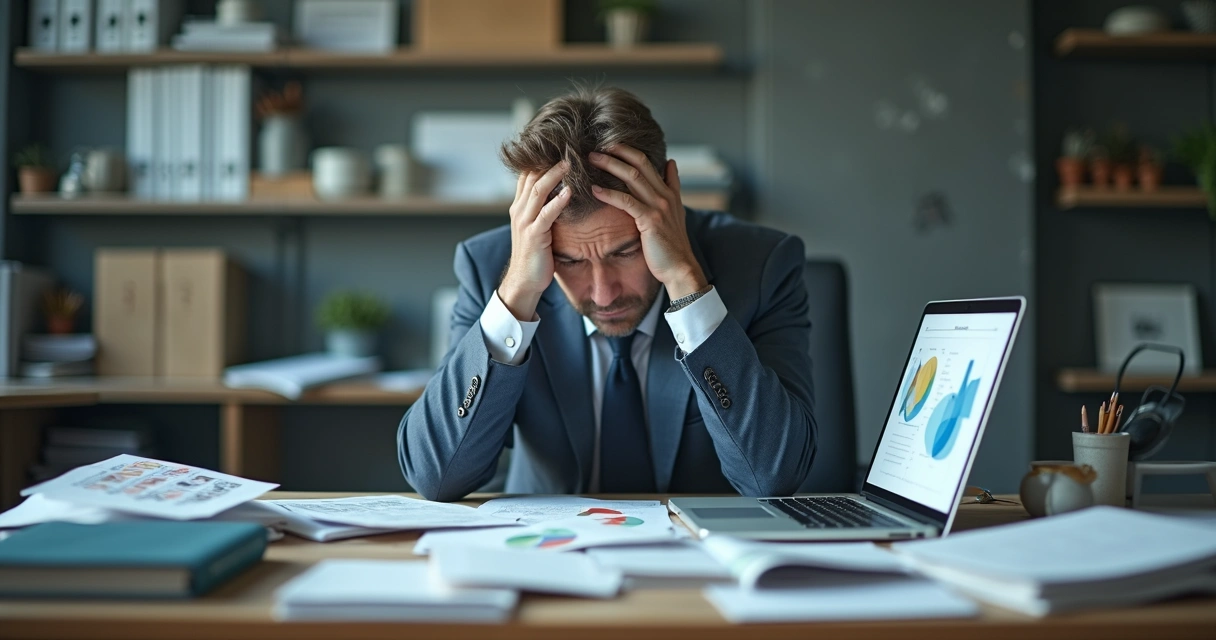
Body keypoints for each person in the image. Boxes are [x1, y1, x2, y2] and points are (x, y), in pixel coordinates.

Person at [397, 86, 817, 501]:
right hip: (546, 540)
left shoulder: (762, 267)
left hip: (702, 542)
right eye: (570, 260)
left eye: (626, 251)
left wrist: (686, 282)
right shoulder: (491, 269)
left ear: (668, 206)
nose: (602, 294)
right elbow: (435, 476)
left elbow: (774, 476)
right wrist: (517, 295)